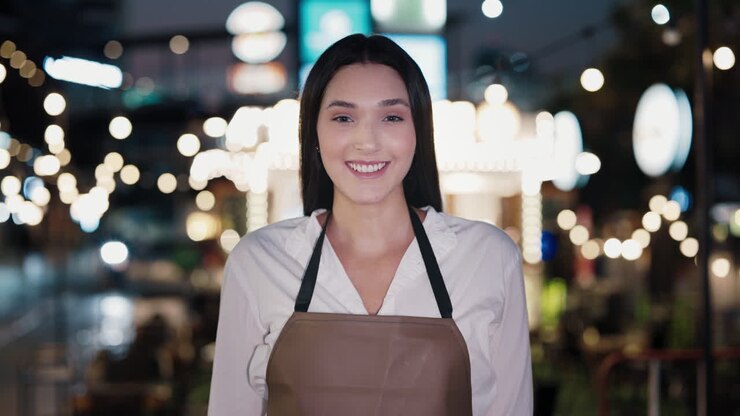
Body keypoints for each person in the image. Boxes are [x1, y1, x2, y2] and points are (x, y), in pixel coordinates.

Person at [208, 33, 532, 415]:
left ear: (418, 132)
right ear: (313, 131)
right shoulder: (259, 262)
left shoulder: (487, 258)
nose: (367, 141)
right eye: (344, 117)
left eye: (391, 116)